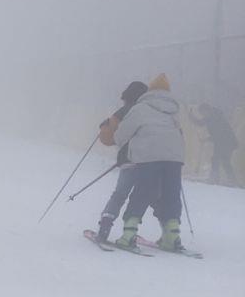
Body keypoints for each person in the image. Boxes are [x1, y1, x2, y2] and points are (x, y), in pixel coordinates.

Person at [114, 75, 187, 251]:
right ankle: (172, 236)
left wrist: (121, 142)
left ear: (150, 90)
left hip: (149, 157)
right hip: (174, 158)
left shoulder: (141, 108)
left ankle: (128, 235)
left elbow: (122, 134)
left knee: (143, 192)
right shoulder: (174, 110)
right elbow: (180, 133)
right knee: (171, 194)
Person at [92, 80, 148, 246]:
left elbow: (108, 139)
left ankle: (105, 226)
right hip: (149, 162)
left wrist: (104, 127)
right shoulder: (151, 111)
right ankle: (131, 231)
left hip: (128, 160)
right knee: (143, 197)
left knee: (119, 194)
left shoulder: (122, 112)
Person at [193, 102, 239, 186]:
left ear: (207, 110)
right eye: (201, 113)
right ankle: (220, 178)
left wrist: (207, 139)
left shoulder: (216, 117)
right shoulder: (210, 117)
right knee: (219, 160)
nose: (202, 115)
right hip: (221, 142)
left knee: (221, 160)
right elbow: (200, 123)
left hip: (227, 142)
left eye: (203, 112)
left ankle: (223, 179)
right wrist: (191, 117)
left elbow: (219, 133)